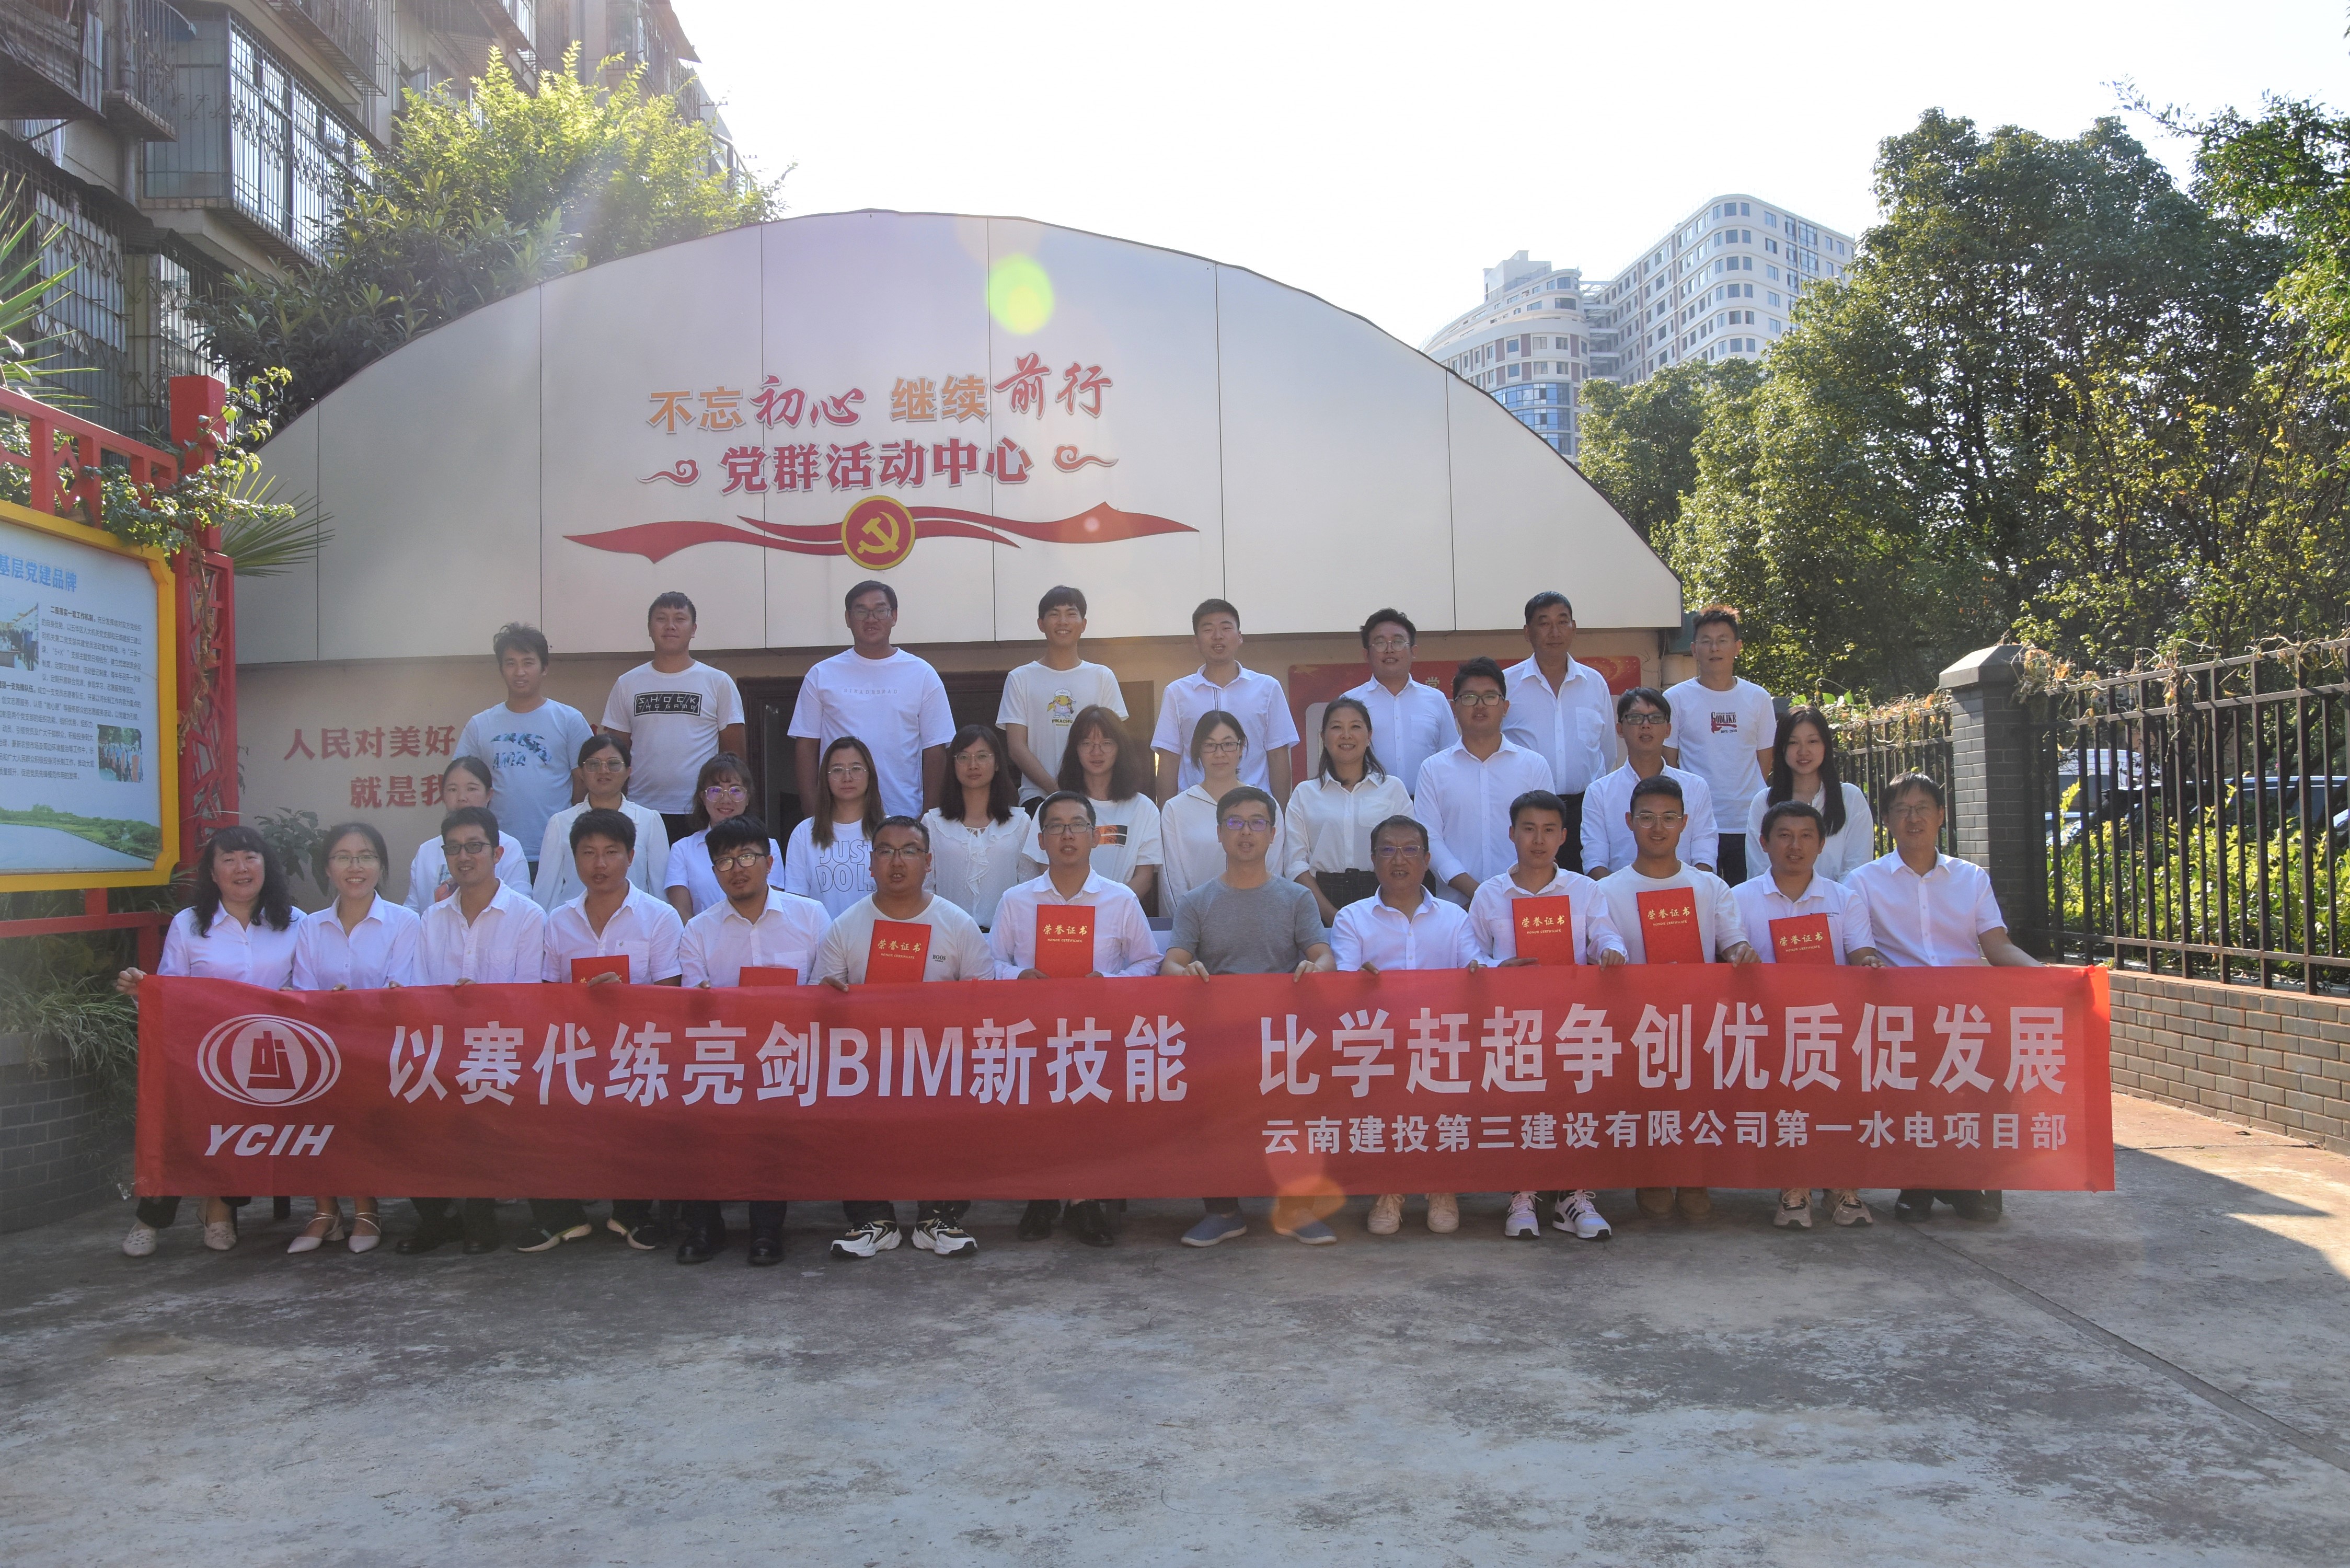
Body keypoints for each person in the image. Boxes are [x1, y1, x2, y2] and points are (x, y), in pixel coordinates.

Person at [1848, 773, 2042, 1225]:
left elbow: (1997, 946)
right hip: (1904, 1013)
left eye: (1922, 809)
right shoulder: (1862, 882)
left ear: (1940, 815)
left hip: (1967, 1012)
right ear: (1887, 820)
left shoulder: (1971, 878)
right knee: (1916, 1101)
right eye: (1901, 810)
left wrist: (2049, 978)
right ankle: (1920, 1184)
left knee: (1978, 1096)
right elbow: (1860, 950)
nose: (1912, 818)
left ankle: (1964, 1181)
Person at [812, 816, 997, 1260]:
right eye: (886, 851)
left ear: (928, 862)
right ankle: (873, 1220)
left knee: (957, 1107)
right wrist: (832, 996)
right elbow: (821, 1004)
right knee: (848, 1109)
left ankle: (939, 1218)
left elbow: (985, 1001)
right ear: (871, 863)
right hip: (866, 1063)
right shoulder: (845, 926)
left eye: (910, 851)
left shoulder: (957, 924)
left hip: (941, 1060)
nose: (897, 862)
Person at [1162, 787, 1337, 1247]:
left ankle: (1298, 1209)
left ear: (1273, 834)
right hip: (1219, 1036)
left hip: (1284, 1037)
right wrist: (1186, 972)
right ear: (1220, 833)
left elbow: (1324, 955)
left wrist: (1315, 969)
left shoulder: (1296, 898)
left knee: (1294, 1122)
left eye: (1257, 822)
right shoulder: (1197, 901)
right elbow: (1171, 963)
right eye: (1235, 822)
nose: (1246, 832)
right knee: (1215, 1122)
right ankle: (1223, 1212)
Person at [113, 827, 298, 1258]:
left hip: (269, 1054)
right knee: (178, 1124)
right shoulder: (188, 924)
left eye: (250, 857)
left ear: (266, 866)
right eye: (228, 860)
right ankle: (151, 1218)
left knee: (248, 1119)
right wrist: (143, 991)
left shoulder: (296, 922)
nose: (241, 868)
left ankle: (219, 1208)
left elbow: (308, 987)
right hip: (201, 1053)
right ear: (213, 874)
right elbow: (170, 992)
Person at [992, 791, 1163, 1248]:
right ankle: (1041, 1197)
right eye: (1056, 826)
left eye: (1077, 826)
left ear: (1094, 837)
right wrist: (1018, 977)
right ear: (1041, 840)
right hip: (1034, 1033)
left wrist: (1109, 983)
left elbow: (1149, 962)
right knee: (1037, 1115)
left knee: (1091, 1115)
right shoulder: (1016, 900)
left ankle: (1084, 1200)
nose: (1067, 835)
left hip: (1098, 1034)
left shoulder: (1120, 899)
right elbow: (991, 965)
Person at [1468, 789, 1628, 1242]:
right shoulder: (1489, 894)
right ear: (1512, 834)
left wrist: (1612, 951)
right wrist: (1498, 968)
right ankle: (1523, 1194)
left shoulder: (1585, 890)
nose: (1538, 840)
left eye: (1548, 830)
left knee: (1573, 1107)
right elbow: (1469, 954)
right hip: (1514, 1026)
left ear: (1563, 837)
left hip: (1571, 1021)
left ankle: (1572, 1197)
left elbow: (1606, 936)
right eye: (1529, 829)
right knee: (1523, 1108)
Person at [523, 808, 684, 1255]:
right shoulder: (558, 921)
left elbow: (671, 996)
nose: (600, 864)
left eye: (611, 853)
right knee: (533, 1102)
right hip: (575, 1050)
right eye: (588, 853)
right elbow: (547, 995)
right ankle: (562, 1217)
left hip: (639, 1049)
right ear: (574, 858)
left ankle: (632, 1214)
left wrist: (624, 997)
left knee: (645, 1105)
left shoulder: (660, 917)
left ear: (631, 857)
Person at [1598, 774, 1757, 1224]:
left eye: (1669, 818)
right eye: (1647, 818)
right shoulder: (1606, 890)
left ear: (1685, 823)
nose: (1658, 828)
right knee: (1646, 1099)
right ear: (1629, 822)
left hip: (1696, 1020)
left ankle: (1693, 1176)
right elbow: (1599, 941)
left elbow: (1731, 940)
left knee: (1696, 1099)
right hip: (1635, 1021)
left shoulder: (1709, 887)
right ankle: (1652, 1174)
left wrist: (1741, 953)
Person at [674, 814, 831, 1266]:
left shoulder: (810, 916)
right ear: (713, 871)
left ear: (770, 862)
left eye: (746, 857)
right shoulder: (698, 929)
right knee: (692, 1114)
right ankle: (705, 1226)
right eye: (724, 862)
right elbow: (691, 1001)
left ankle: (766, 1229)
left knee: (771, 1114)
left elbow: (826, 987)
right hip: (722, 1055)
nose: (736, 869)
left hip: (791, 1054)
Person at [1735, 800, 1890, 1231]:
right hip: (1766, 1029)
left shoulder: (1844, 899)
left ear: (1822, 844)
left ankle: (1841, 1185)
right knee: (1789, 1100)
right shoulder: (1738, 899)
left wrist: (1868, 963)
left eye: (1806, 836)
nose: (1795, 846)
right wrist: (1739, 956)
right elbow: (1727, 956)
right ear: (1764, 843)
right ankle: (1794, 1185)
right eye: (1784, 836)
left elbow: (1860, 951)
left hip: (1830, 1026)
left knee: (1844, 1096)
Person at [400, 803, 546, 1257]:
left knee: (480, 1093)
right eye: (455, 849)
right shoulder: (431, 919)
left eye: (475, 847)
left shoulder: (528, 916)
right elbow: (420, 991)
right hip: (441, 1047)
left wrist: (480, 1003)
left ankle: (479, 1212)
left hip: (503, 1050)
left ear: (497, 853)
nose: (465, 857)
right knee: (396, 1099)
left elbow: (529, 998)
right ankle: (438, 1217)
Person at [1331, 816, 1480, 1239]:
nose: (1399, 860)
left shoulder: (1454, 917)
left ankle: (1440, 1186)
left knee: (1447, 1087)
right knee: (1383, 1093)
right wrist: (1360, 982)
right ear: (1373, 859)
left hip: (1441, 1040)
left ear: (1428, 859)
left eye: (1410, 850)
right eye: (1388, 850)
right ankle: (1390, 1188)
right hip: (1380, 1042)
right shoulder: (1352, 918)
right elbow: (1342, 981)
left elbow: (1474, 967)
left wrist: (1488, 971)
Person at [287, 822, 419, 1255]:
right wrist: (329, 1005)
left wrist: (357, 1006)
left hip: (380, 1052)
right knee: (309, 1105)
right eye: (343, 857)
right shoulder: (311, 926)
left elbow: (403, 988)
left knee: (357, 1110)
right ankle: (325, 1211)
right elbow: (304, 994)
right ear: (328, 868)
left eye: (366, 857)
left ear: (381, 866)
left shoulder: (404, 922)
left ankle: (366, 1209)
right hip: (320, 1049)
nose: (355, 867)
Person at [790, 580, 953, 821]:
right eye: (861, 611)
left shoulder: (922, 674)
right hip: (837, 819)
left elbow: (936, 748)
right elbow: (806, 745)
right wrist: (813, 814)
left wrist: (927, 817)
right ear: (848, 618)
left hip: (904, 815)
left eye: (880, 610)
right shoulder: (821, 674)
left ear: (894, 616)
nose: (871, 619)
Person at [598, 592, 746, 841]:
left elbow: (734, 757)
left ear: (694, 629)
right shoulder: (627, 683)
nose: (670, 626)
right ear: (649, 628)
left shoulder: (718, 682)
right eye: (661, 619)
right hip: (641, 809)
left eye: (679, 619)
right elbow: (615, 753)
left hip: (701, 811)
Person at [456, 622, 593, 878]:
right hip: (497, 852)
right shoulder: (480, 725)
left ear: (544, 668)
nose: (519, 672)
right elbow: (463, 783)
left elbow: (584, 782)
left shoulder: (569, 720)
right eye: (511, 663)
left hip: (557, 850)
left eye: (528, 663)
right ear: (501, 669)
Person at [1415, 658, 1556, 901]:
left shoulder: (1534, 765)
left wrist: (1508, 891)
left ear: (1505, 707)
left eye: (1490, 697)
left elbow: (1546, 834)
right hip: (1456, 907)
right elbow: (1430, 839)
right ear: (1454, 708)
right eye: (1469, 697)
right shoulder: (1433, 769)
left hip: (1523, 899)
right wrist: (1478, 893)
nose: (1480, 706)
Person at [1501, 592, 1616, 870]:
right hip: (1526, 815)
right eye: (1544, 623)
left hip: (1584, 813)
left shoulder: (1594, 683)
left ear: (1574, 627)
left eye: (1563, 622)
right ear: (1527, 632)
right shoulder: (1507, 684)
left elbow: (1607, 751)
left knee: (1582, 887)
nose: (1555, 632)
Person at [1664, 606, 1777, 885]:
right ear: (1694, 649)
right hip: (1697, 822)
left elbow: (1765, 760)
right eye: (1706, 641)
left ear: (1737, 647)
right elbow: (1669, 762)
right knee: (1700, 897)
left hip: (1747, 821)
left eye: (1722, 640)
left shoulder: (1759, 698)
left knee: (1747, 898)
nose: (1714, 648)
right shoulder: (1676, 699)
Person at [1151, 599, 1297, 802]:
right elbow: (1169, 759)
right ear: (1196, 641)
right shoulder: (1176, 693)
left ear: (1240, 637)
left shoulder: (1268, 688)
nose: (1218, 636)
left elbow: (1278, 755)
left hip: (1254, 807)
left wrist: (1280, 814)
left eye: (1226, 628)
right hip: (1194, 806)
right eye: (1208, 629)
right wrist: (1165, 814)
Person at [1287, 696, 1415, 925]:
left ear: (1369, 736)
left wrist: (1388, 907)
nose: (1346, 735)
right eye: (1337, 727)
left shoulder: (1393, 789)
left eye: (1355, 727)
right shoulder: (1304, 793)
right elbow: (1295, 863)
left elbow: (1409, 854)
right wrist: (1330, 915)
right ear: (1323, 737)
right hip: (1320, 900)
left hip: (1383, 899)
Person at [1017, 704, 1161, 907]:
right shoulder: (1054, 806)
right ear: (1075, 749)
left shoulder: (1144, 808)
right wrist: (1078, 909)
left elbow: (1144, 878)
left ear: (1120, 748)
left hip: (1119, 913)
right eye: (1087, 743)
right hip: (1065, 914)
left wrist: (1108, 907)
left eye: (1106, 743)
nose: (1096, 752)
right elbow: (1044, 867)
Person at [998, 585, 1127, 804]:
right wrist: (1057, 791)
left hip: (1095, 798)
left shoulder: (1102, 676)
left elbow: (1115, 742)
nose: (1063, 622)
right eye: (1054, 614)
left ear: (1083, 624)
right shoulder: (1020, 678)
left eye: (1071, 614)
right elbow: (1017, 748)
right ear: (1041, 624)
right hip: (1037, 798)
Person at [1158, 711, 1294, 912]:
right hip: (1195, 921)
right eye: (1210, 745)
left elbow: (1274, 869)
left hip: (1255, 917)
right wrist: (1191, 922)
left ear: (1241, 747)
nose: (1219, 754)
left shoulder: (1265, 805)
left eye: (1228, 744)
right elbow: (1173, 883)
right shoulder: (1175, 809)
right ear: (1197, 750)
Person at [1581, 688, 1719, 880]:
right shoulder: (1599, 792)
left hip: (1685, 893)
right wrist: (1618, 894)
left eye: (1655, 718)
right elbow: (1595, 861)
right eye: (1636, 718)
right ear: (1620, 729)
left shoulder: (1695, 787)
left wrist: (1692, 891)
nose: (1646, 725)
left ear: (1668, 729)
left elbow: (1705, 853)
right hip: (1619, 895)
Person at [533, 734, 669, 908]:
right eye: (593, 764)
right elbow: (546, 891)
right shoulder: (561, 823)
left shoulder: (649, 820)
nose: (603, 771)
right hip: (574, 921)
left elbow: (660, 889)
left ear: (628, 772)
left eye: (613, 764)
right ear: (581, 773)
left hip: (635, 920)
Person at [1748, 705, 1876, 882]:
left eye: (1813, 741)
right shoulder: (1764, 802)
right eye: (1793, 743)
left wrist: (1824, 897)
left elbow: (1858, 870)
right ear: (1782, 748)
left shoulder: (1850, 798)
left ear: (1826, 746)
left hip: (1841, 899)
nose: (1803, 751)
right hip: (1778, 900)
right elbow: (1759, 871)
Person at [922, 724, 1028, 930]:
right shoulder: (932, 823)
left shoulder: (1020, 822)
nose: (973, 765)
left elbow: (1027, 888)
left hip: (1004, 938)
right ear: (953, 764)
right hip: (947, 936)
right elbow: (925, 888)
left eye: (982, 756)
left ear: (997, 764)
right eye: (963, 757)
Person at [1342, 607, 1457, 794]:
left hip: (1426, 803)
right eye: (1380, 643)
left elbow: (1450, 756)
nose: (1389, 650)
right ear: (1366, 654)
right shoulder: (1350, 702)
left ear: (1413, 651)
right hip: (1368, 804)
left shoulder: (1436, 700)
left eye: (1398, 642)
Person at [664, 753, 785, 920]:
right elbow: (681, 911)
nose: (726, 799)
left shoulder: (769, 846)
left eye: (736, 790)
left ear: (748, 798)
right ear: (702, 797)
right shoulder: (682, 849)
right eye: (716, 790)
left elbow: (773, 907)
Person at [404, 756, 530, 912]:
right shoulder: (426, 850)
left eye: (471, 789)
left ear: (489, 795)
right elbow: (413, 911)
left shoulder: (509, 846)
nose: (462, 798)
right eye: (452, 790)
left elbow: (521, 906)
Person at [784, 735, 885, 917]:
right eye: (837, 770)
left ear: (870, 774)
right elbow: (797, 903)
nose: (847, 777)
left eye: (856, 769)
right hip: (822, 934)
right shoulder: (804, 833)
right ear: (826, 778)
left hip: (877, 933)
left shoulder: (889, 830)